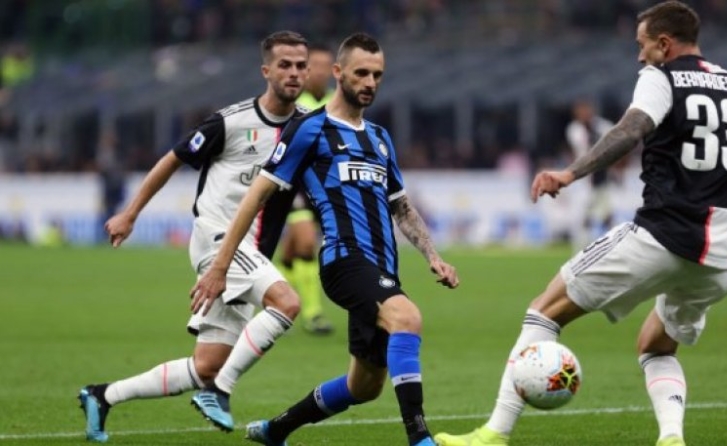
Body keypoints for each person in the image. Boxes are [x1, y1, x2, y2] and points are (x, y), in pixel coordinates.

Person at [435, 2, 727, 446]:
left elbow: (630, 129)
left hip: (662, 234)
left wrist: (570, 173)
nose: (640, 56)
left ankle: (493, 433)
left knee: (543, 312)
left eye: (643, 45)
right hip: (719, 254)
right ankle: (672, 438)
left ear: (664, 44)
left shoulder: (661, 77)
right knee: (656, 346)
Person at [190, 33, 459, 446]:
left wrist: (433, 257)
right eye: (361, 73)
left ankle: (276, 430)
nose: (370, 82)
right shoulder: (309, 129)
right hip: (343, 261)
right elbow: (256, 196)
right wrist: (220, 266)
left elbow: (402, 207)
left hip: (382, 269)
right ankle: (420, 439)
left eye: (377, 75)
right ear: (337, 73)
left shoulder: (379, 137)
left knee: (364, 386)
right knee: (407, 318)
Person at [77, 31, 310, 443]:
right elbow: (173, 159)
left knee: (207, 365)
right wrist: (130, 214)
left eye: (300, 66)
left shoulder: (306, 129)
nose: (294, 73)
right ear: (266, 71)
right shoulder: (231, 122)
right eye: (284, 65)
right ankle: (219, 393)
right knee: (287, 302)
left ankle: (102, 395)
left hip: (251, 254)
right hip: (217, 240)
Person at [281, 43, 337, 335]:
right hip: (296, 183)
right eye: (314, 66)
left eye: (327, 66)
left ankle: (279, 303)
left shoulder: (338, 101)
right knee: (306, 244)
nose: (320, 72)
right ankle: (313, 313)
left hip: (326, 184)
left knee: (290, 253)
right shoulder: (291, 101)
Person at [565, 99, 615, 249]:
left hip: (602, 177)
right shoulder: (575, 129)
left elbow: (614, 143)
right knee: (585, 215)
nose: (584, 114)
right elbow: (584, 149)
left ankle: (611, 246)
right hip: (585, 179)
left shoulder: (602, 125)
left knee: (606, 215)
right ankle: (581, 248)